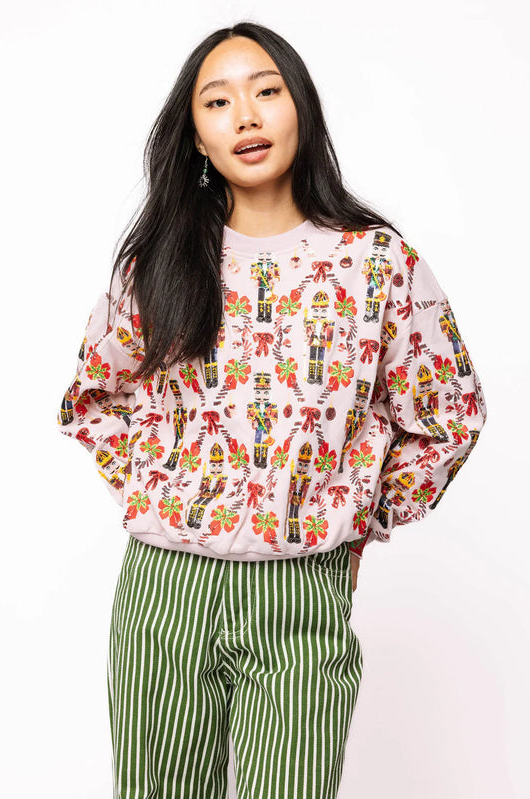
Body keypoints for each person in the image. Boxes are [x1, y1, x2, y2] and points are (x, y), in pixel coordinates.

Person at [55, 20, 487, 799]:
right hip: (164, 590)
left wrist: (359, 516)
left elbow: (449, 413)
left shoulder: (376, 264)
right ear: (196, 136)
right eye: (218, 102)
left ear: (301, 107)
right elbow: (91, 395)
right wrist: (157, 486)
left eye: (266, 91)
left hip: (301, 591)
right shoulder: (158, 263)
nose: (246, 116)